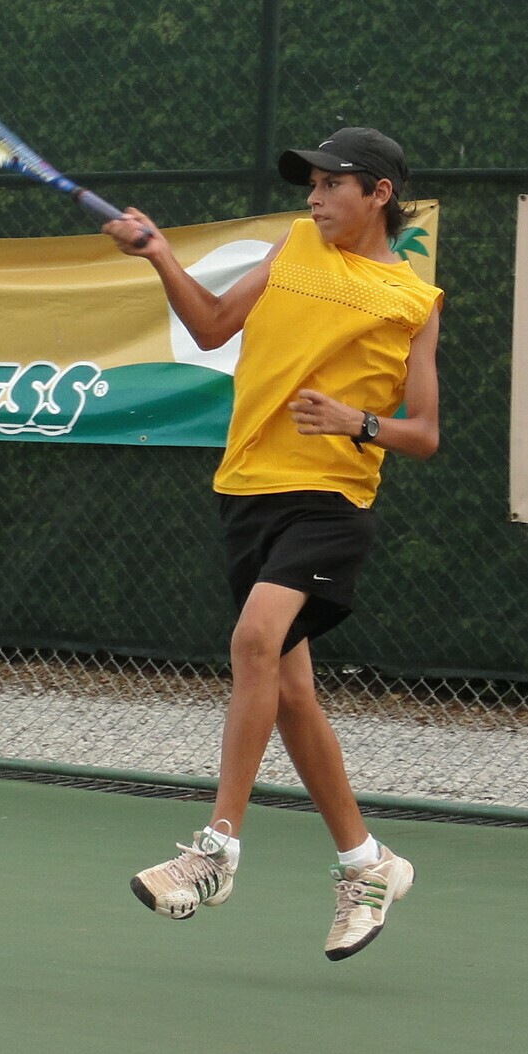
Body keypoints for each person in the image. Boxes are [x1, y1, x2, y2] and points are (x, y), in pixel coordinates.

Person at [103, 127, 443, 961]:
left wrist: (357, 422)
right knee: (288, 691)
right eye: (311, 184)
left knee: (253, 639)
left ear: (378, 195)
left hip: (328, 501)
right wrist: (156, 253)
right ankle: (367, 863)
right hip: (245, 493)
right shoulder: (291, 246)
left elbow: (424, 432)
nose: (313, 197)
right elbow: (214, 325)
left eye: (331, 185)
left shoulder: (411, 301)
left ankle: (215, 851)